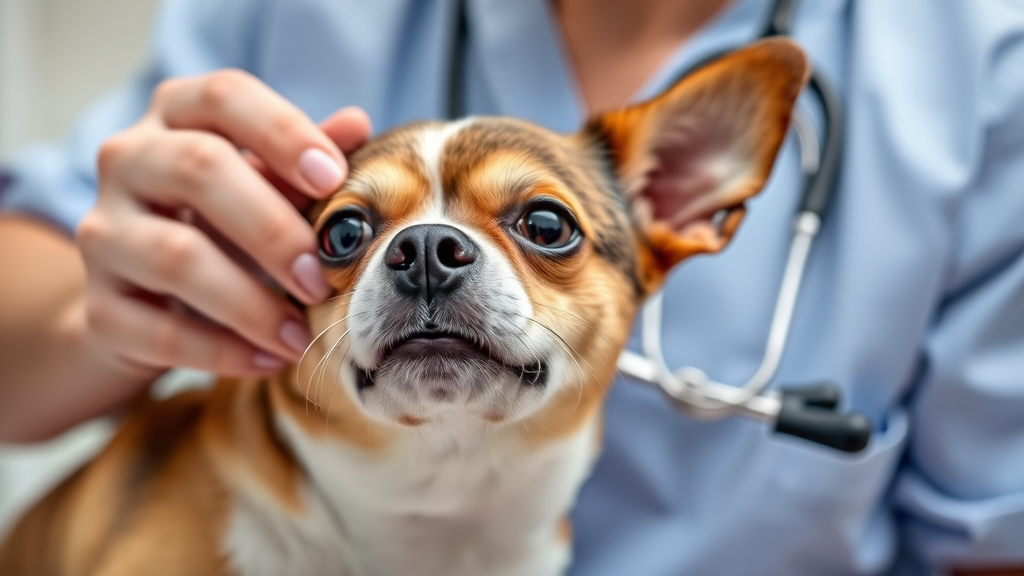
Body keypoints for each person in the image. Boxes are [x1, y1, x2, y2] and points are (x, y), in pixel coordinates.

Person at [1, 0, 1023, 573]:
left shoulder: (977, 62)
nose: (424, 257)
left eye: (542, 228)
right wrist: (114, 302)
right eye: (355, 235)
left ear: (673, 205)